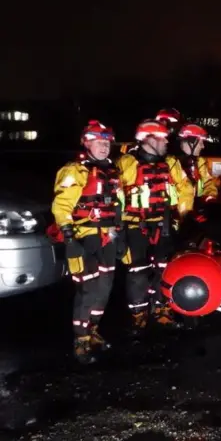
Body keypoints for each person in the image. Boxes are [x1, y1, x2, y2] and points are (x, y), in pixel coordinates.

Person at [51, 120, 124, 363]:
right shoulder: (76, 171)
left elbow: (117, 205)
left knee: (104, 287)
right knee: (88, 288)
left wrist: (119, 233)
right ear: (86, 143)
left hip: (108, 237)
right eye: (99, 142)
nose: (104, 147)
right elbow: (61, 206)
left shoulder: (113, 171)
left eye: (106, 143)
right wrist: (69, 237)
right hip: (84, 237)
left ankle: (93, 330)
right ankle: (80, 339)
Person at [117, 119, 194, 334]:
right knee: (137, 271)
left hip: (165, 223)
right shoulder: (127, 164)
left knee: (165, 268)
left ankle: (162, 309)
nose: (167, 142)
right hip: (135, 226)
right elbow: (116, 195)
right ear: (148, 140)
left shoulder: (171, 164)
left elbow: (185, 189)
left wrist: (184, 216)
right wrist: (117, 227)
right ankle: (139, 315)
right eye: (162, 138)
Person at [176, 123, 219, 208]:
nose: (203, 146)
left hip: (194, 212)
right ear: (191, 143)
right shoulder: (172, 164)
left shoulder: (199, 163)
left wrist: (210, 197)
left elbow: (208, 182)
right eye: (200, 143)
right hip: (177, 216)